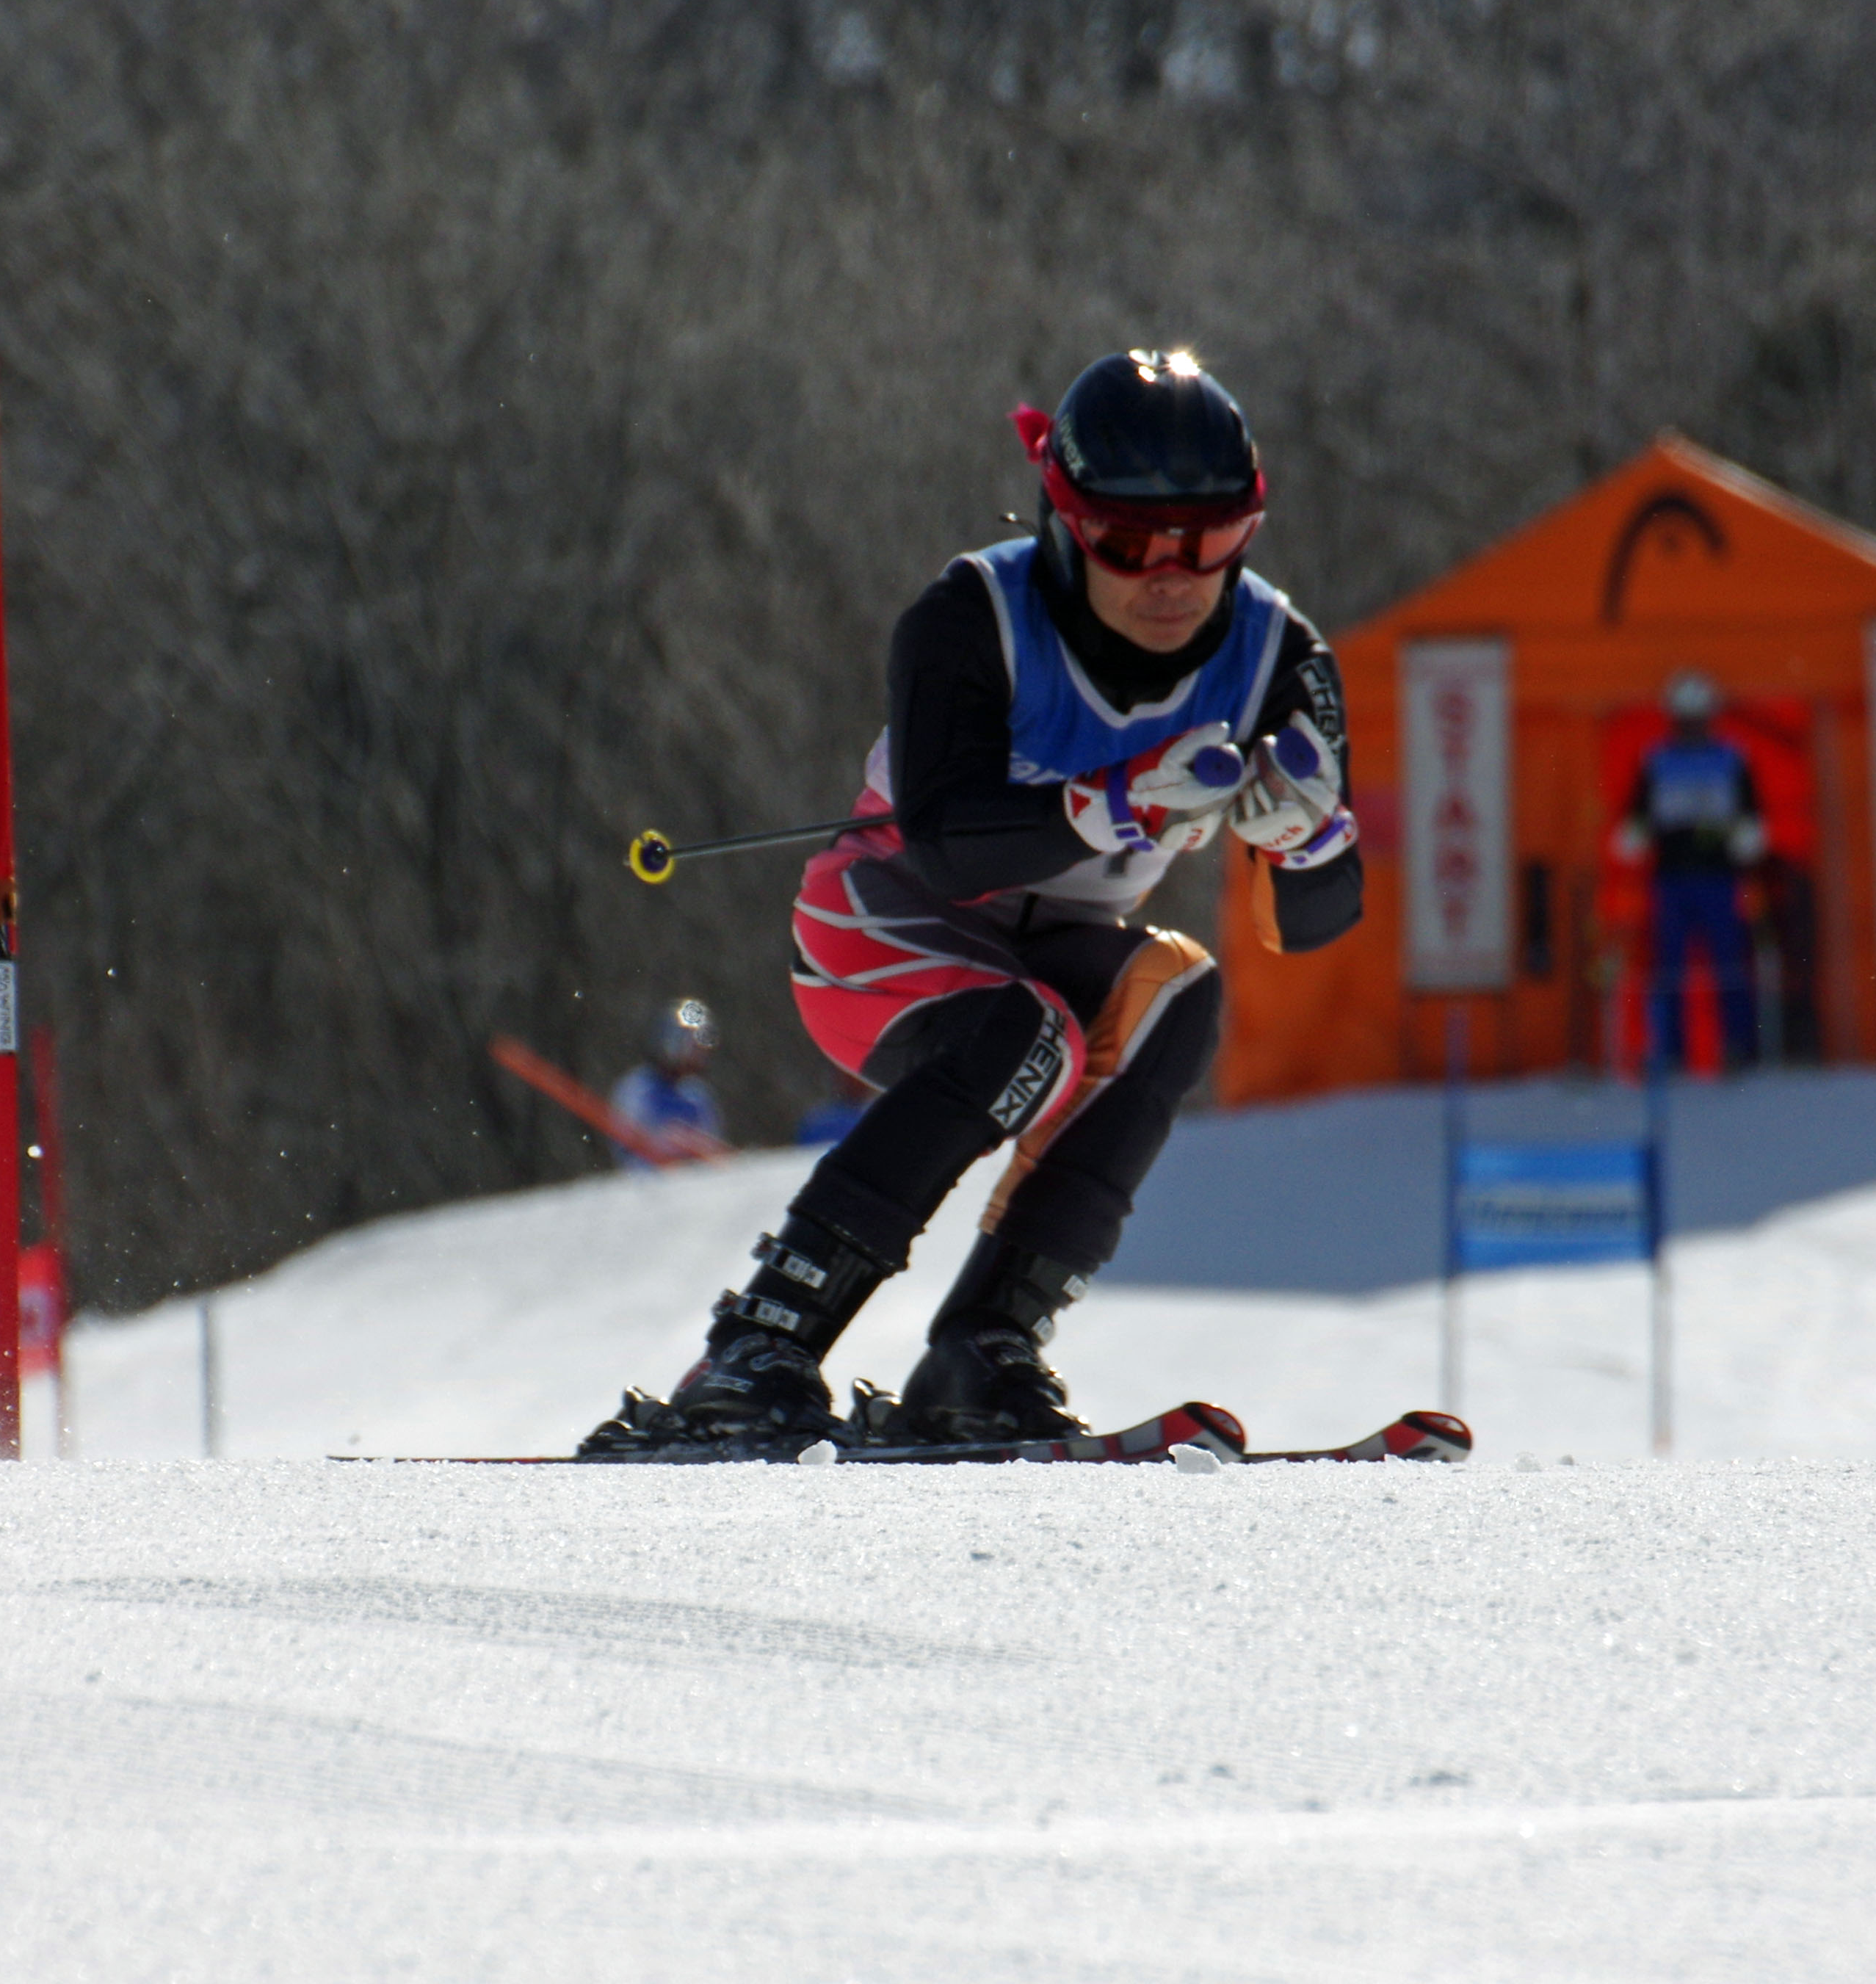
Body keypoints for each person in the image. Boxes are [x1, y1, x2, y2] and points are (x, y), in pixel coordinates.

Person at [582, 350, 1365, 1456]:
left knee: (1181, 993)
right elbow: (948, 849)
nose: (1173, 578)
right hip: (884, 927)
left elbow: (1322, 922)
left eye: (1212, 540)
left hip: (1060, 950)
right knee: (1024, 1032)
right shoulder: (975, 615)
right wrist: (1117, 799)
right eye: (1130, 543)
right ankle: (760, 1343)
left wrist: (1310, 843)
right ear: (1067, 525)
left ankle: (983, 1350)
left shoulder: (1283, 655)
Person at [1613, 670, 1767, 1073]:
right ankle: (1670, 1051)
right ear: (1674, 718)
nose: (1692, 726)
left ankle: (1738, 1047)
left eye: (1698, 718)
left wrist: (1748, 836)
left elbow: (1750, 812)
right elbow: (1638, 813)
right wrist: (1634, 833)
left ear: (1710, 717)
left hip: (1719, 877)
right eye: (1685, 718)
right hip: (1671, 878)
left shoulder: (1732, 758)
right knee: (1668, 968)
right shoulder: (1657, 760)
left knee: (1728, 965)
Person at [608, 999, 726, 1165]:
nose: (697, 1055)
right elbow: (624, 1144)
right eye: (690, 1046)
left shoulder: (697, 1095)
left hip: (694, 1177)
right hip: (649, 1175)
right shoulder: (637, 1089)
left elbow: (711, 1144)